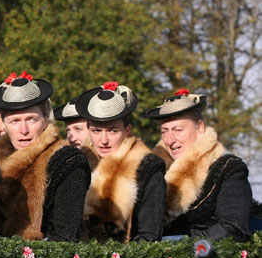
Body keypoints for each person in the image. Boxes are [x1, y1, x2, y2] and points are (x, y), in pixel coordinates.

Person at [0, 72, 91, 241]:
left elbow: (63, 238)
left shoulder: (68, 160)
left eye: (32, 120)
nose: (23, 130)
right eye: (15, 121)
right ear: (4, 124)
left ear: (45, 120)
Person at [146, 89, 252, 241]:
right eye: (165, 131)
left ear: (199, 128)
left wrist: (173, 246)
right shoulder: (153, 170)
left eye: (177, 130)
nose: (170, 140)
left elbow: (232, 228)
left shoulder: (228, 169)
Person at [75, 81, 166, 242]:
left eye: (113, 130)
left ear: (127, 130)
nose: (103, 140)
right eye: (96, 131)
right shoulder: (79, 165)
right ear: (88, 130)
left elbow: (149, 236)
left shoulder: (147, 168)